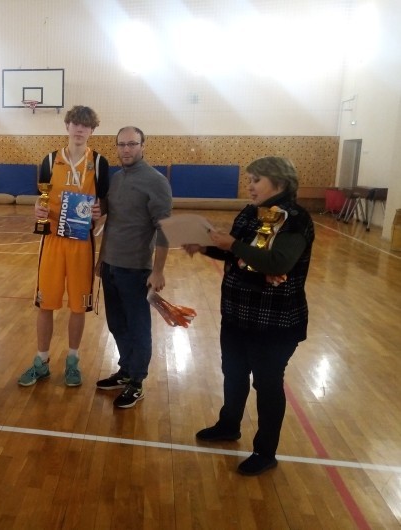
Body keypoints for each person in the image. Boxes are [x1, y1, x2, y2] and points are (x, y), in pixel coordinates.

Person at [185, 156, 315, 476]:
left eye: (256, 180)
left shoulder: (295, 219)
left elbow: (278, 262)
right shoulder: (250, 212)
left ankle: (265, 451)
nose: (250, 186)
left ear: (279, 182)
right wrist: (205, 246)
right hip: (237, 314)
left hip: (275, 321)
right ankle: (229, 425)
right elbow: (238, 254)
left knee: (268, 386)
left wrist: (233, 245)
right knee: (233, 373)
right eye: (250, 179)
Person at [18, 105, 109, 388]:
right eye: (76, 124)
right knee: (45, 304)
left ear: (92, 130)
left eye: (86, 125)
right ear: (67, 126)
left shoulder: (100, 163)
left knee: (78, 306)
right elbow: (42, 196)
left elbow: (105, 202)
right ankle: (42, 360)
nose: (80, 129)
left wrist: (100, 211)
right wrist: (38, 208)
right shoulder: (49, 160)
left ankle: (72, 361)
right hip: (53, 241)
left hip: (82, 242)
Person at [95, 126, 173, 408]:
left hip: (135, 269)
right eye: (121, 144)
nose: (126, 149)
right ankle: (126, 371)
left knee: (138, 327)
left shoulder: (156, 181)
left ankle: (137, 381)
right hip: (110, 266)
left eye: (132, 144)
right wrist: (101, 259)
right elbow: (111, 222)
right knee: (117, 324)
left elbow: (165, 229)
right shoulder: (116, 179)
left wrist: (158, 270)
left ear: (143, 145)